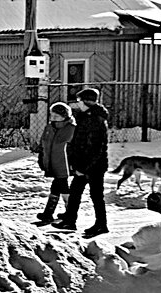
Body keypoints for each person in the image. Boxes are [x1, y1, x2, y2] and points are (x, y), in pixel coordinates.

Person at [52, 87, 110, 237]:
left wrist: (83, 168)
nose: (78, 104)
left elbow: (95, 147)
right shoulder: (85, 117)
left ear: (86, 102)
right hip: (83, 164)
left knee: (96, 196)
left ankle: (101, 224)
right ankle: (70, 220)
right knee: (75, 192)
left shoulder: (96, 120)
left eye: (80, 101)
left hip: (93, 166)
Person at [34, 101, 75, 225]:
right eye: (52, 115)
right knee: (60, 187)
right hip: (51, 162)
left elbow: (74, 147)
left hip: (64, 164)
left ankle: (52, 213)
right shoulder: (49, 128)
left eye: (56, 116)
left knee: (59, 185)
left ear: (65, 116)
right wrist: (42, 158)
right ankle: (66, 212)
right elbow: (43, 144)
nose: (53, 118)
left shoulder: (71, 129)